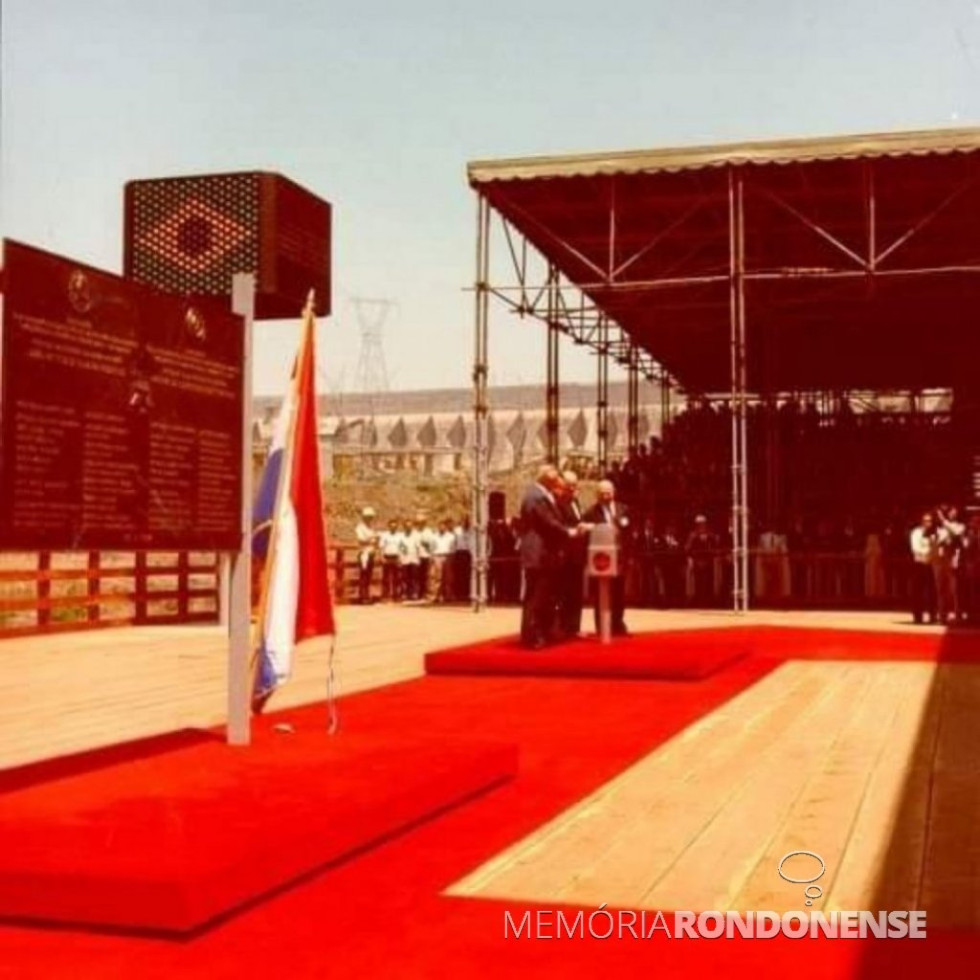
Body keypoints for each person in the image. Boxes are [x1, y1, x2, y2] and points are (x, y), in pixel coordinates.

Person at [519, 465, 588, 649]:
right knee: (536, 597)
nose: (560, 480)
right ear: (548, 479)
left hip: (545, 553)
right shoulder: (536, 496)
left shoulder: (540, 494)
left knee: (542, 596)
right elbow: (548, 523)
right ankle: (532, 636)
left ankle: (539, 632)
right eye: (557, 476)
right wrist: (570, 532)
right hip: (539, 553)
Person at [583, 479, 630, 636]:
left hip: (620, 557)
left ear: (614, 492)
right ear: (597, 494)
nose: (605, 495)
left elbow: (629, 531)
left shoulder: (624, 509)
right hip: (601, 559)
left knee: (619, 593)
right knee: (600, 593)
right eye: (602, 493)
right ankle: (602, 627)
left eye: (608, 492)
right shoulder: (590, 513)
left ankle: (618, 623)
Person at [556, 469, 588, 638]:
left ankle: (574, 627)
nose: (573, 488)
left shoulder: (576, 501)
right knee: (565, 593)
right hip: (565, 555)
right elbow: (559, 528)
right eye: (570, 485)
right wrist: (575, 530)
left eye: (575, 485)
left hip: (578, 554)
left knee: (577, 593)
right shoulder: (558, 503)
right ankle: (562, 626)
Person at [909, 511, 938, 625]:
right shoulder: (916, 532)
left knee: (932, 592)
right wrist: (926, 554)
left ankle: (932, 615)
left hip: (931, 564)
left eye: (930, 521)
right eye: (926, 521)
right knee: (917, 592)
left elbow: (936, 549)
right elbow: (915, 548)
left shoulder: (934, 534)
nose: (928, 523)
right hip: (919, 564)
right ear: (921, 521)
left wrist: (931, 554)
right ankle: (917, 616)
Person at [354, 506, 378, 604]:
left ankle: (366, 595)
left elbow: (374, 540)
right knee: (363, 575)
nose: (369, 519)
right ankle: (362, 596)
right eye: (367, 517)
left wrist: (373, 539)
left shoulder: (371, 528)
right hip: (364, 553)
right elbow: (361, 540)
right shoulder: (360, 527)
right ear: (364, 517)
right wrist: (372, 538)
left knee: (368, 575)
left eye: (371, 517)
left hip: (371, 552)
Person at [430, 519, 457, 603]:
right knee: (437, 577)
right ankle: (436, 596)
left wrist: (451, 558)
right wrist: (433, 558)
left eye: (443, 526)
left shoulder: (451, 536)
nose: (442, 527)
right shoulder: (434, 536)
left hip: (447, 556)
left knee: (448, 577)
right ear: (438, 527)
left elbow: (453, 548)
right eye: (440, 526)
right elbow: (432, 548)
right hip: (437, 556)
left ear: (445, 527)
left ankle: (448, 595)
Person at [378, 518, 405, 601]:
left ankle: (396, 595)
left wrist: (401, 557)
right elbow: (381, 547)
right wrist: (381, 557)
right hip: (387, 557)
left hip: (396, 557)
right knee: (386, 578)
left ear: (396, 527)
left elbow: (402, 547)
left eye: (395, 526)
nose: (393, 527)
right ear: (389, 527)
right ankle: (385, 596)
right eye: (391, 526)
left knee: (397, 578)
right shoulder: (385, 535)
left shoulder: (400, 536)